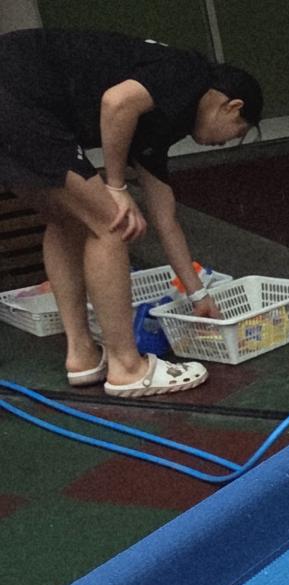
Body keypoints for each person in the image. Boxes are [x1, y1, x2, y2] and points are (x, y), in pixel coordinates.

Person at [0, 28, 263, 398]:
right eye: (237, 131)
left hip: (17, 100)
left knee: (65, 221)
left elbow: (165, 220)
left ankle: (82, 356)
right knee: (112, 223)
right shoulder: (188, 72)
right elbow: (116, 102)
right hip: (19, 94)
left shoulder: (160, 121)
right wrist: (116, 187)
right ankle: (127, 366)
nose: (227, 141)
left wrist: (198, 294)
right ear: (231, 106)